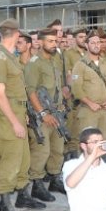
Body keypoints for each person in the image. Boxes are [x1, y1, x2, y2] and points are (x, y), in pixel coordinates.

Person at [0, 19, 44, 211]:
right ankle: (4, 203)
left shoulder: (10, 57)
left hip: (18, 112)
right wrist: (14, 121)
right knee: (11, 160)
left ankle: (23, 196)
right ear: (16, 34)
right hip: (8, 116)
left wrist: (23, 116)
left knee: (23, 159)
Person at [24, 28, 67, 201]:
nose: (54, 44)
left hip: (57, 111)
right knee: (42, 150)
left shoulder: (55, 60)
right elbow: (31, 91)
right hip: (42, 114)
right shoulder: (35, 63)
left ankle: (55, 179)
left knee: (58, 149)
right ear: (40, 42)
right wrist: (42, 113)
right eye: (50, 41)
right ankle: (37, 184)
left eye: (55, 41)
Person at [72, 32, 106, 138]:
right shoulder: (80, 65)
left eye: (98, 42)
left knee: (103, 140)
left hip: (104, 109)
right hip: (88, 110)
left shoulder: (105, 64)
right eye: (93, 43)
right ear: (86, 45)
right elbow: (76, 88)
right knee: (88, 142)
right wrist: (90, 103)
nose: (96, 45)